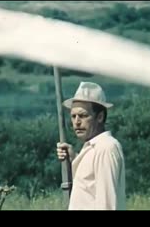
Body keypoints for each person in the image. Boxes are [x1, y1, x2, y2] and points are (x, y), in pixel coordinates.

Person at [57, 81, 126, 210]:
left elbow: (107, 203)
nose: (76, 122)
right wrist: (74, 158)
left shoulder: (106, 148)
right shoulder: (93, 148)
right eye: (73, 116)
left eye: (83, 116)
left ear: (99, 117)